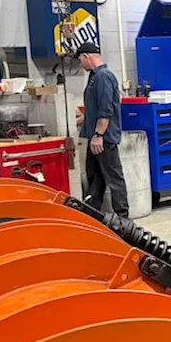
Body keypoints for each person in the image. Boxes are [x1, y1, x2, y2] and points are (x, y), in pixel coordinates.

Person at [74, 41, 129, 217]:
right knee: (95, 179)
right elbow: (94, 110)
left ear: (86, 57)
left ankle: (123, 218)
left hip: (103, 139)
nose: (81, 64)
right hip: (94, 138)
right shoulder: (94, 76)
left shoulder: (103, 77)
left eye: (80, 60)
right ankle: (92, 215)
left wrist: (98, 135)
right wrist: (76, 121)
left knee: (114, 178)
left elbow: (106, 110)